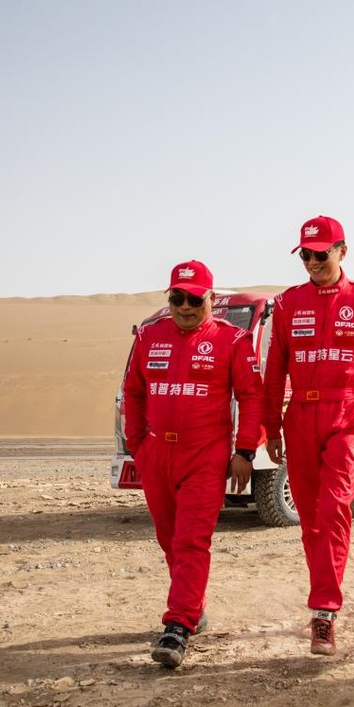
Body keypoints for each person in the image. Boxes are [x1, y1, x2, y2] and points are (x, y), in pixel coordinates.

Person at [262, 215, 354, 656]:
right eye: (306, 254)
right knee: (311, 521)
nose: (314, 262)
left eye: (322, 253)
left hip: (347, 415)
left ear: (343, 250)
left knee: (334, 506)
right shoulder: (287, 305)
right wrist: (269, 426)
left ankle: (324, 611)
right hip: (299, 415)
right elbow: (273, 371)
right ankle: (324, 598)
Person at [122, 260, 264, 669]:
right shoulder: (150, 336)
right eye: (176, 298)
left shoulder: (233, 340)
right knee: (169, 540)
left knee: (190, 541)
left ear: (211, 299)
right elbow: (134, 391)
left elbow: (251, 397)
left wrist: (245, 451)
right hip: (156, 456)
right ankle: (193, 606)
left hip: (205, 456)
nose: (185, 307)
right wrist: (137, 443)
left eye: (194, 299)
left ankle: (178, 626)